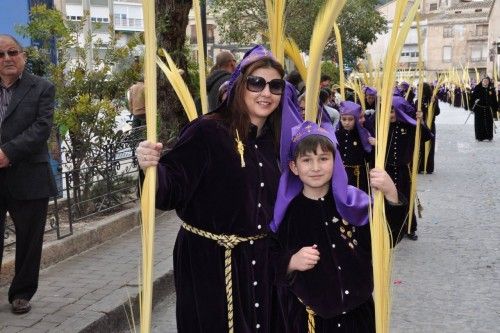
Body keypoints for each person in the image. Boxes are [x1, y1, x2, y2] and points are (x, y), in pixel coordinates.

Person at [136, 45, 290, 332]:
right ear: (240, 85)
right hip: (209, 262)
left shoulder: (278, 141)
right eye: (257, 83)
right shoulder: (207, 131)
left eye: (275, 86)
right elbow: (169, 192)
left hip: (260, 259)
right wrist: (149, 167)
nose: (266, 93)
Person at [270, 121, 407, 332]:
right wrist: (290, 262)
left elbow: (387, 238)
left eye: (323, 159)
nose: (316, 167)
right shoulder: (286, 214)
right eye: (307, 160)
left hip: (359, 316)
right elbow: (267, 258)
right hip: (310, 320)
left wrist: (391, 194)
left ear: (335, 161)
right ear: (294, 167)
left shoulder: (355, 204)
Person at [0, 34, 57, 314]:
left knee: (29, 239)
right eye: (1, 55)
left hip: (29, 175)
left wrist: (7, 152)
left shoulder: (42, 87)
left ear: (23, 55)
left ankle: (21, 294)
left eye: (12, 52)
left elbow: (41, 128)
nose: (7, 59)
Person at [385, 95, 432, 242]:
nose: (390, 115)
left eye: (392, 112)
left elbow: (425, 136)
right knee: (388, 199)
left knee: (406, 197)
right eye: (388, 111)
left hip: (403, 169)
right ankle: (391, 228)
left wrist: (420, 121)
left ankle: (409, 227)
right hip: (387, 169)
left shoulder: (409, 126)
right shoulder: (383, 126)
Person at [335, 101, 374, 193]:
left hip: (358, 174)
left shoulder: (363, 135)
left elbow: (369, 155)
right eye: (344, 119)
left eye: (350, 119)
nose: (347, 122)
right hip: (342, 173)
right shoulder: (337, 134)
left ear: (355, 119)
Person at [418, 83, 440, 174]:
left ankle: (429, 167)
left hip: (430, 125)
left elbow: (437, 112)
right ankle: (419, 167)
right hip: (420, 126)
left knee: (429, 146)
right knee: (420, 146)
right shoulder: (419, 100)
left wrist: (433, 103)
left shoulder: (433, 99)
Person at [471, 76, 498, 141]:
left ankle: (489, 136)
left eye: (487, 81)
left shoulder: (491, 89)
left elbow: (494, 100)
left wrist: (495, 108)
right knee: (479, 124)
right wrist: (475, 102)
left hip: (488, 109)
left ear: (488, 82)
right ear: (482, 82)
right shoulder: (477, 88)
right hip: (479, 109)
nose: (485, 82)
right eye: (484, 81)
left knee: (489, 123)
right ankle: (480, 137)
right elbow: (472, 98)